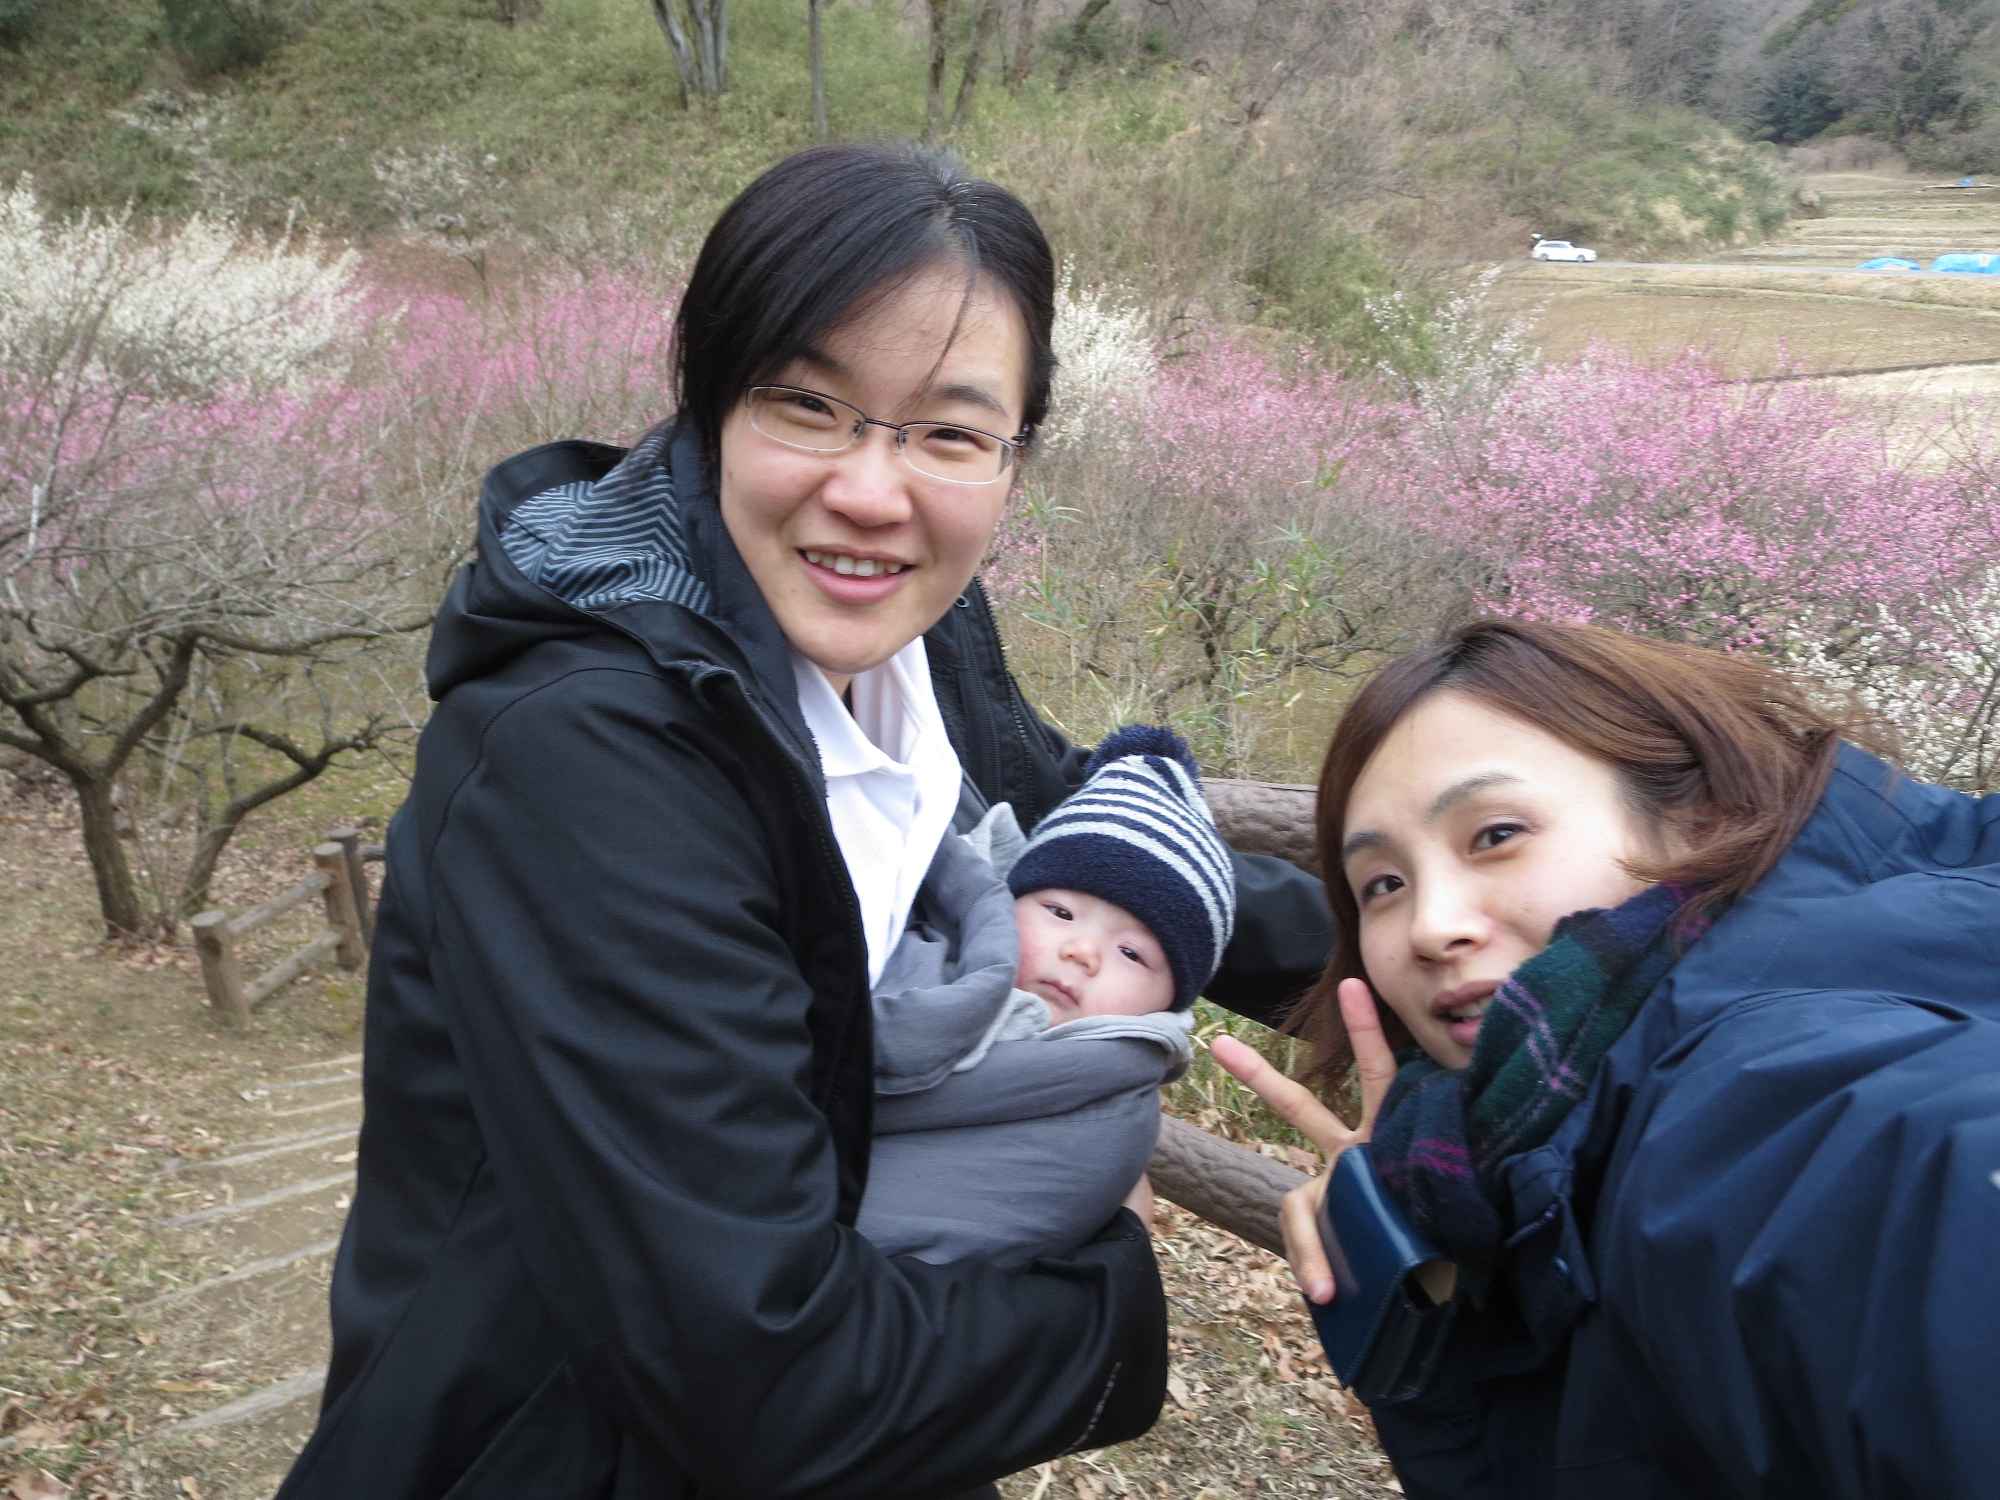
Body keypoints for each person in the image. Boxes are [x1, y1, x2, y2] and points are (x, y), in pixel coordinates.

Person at [275, 141, 1332, 1500]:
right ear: (712, 404)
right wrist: (1112, 1317)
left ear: (1015, 457)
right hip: (543, 1442)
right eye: (810, 406)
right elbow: (757, 1378)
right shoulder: (589, 760)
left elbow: (1057, 799)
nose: (874, 493)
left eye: (951, 434)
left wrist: (1374, 948)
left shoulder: (900, 632)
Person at [1214, 618, 2000, 1499]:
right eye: (1383, 885)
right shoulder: (1534, 1142)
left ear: (1701, 819)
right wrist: (1428, 1282)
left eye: (1497, 833)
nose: (1432, 926)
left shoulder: (1771, 1108)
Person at [857, 725, 1234, 1269]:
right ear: (1008, 902)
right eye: (1059, 913)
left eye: (1132, 953)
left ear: (1169, 1003)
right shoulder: (916, 949)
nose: (1082, 951)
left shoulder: (1110, 1108)